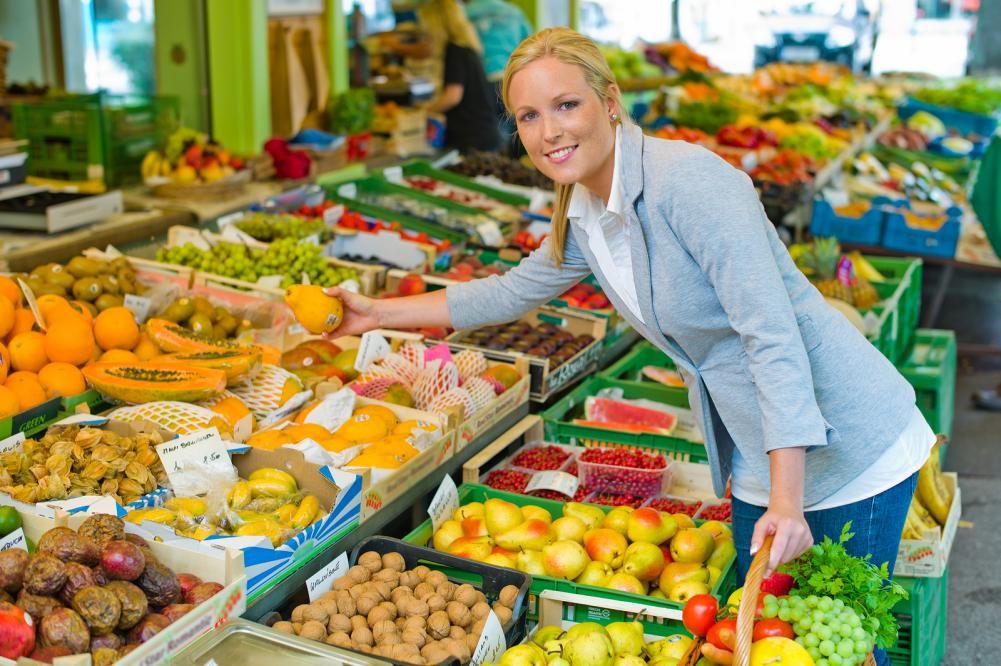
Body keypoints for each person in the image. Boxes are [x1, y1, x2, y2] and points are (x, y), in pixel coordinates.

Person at [325, 28, 932, 663]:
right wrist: (376, 314)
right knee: (760, 642)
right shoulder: (585, 209)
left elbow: (771, 338)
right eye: (529, 116)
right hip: (763, 449)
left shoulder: (690, 183)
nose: (549, 131)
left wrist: (787, 499)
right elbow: (508, 293)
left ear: (610, 101)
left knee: (844, 646)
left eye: (566, 105)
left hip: (847, 442)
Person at [420, 0, 500, 152]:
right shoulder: (466, 48)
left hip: (472, 138)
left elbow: (453, 96)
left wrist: (425, 111)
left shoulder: (453, 51)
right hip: (484, 133)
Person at [463, 0, 533, 151]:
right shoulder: (514, 12)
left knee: (488, 134)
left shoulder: (465, 13)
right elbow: (531, 46)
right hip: (511, 79)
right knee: (512, 130)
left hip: (481, 83)